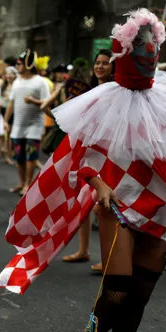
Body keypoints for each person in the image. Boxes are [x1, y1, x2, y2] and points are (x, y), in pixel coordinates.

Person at [0, 9, 166, 332]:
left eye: (153, 43)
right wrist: (97, 184)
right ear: (124, 51)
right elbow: (84, 157)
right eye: (141, 44)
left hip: (164, 206)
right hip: (118, 205)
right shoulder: (102, 100)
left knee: (142, 292)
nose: (149, 51)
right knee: (116, 289)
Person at [61, 50, 115, 268]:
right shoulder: (88, 91)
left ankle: (110, 258)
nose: (100, 67)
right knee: (81, 202)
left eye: (105, 63)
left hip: (109, 155)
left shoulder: (117, 92)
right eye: (98, 63)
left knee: (103, 207)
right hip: (89, 153)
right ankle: (83, 250)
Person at [5, 49, 50, 195]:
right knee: (19, 157)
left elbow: (46, 102)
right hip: (18, 125)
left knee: (31, 157)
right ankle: (21, 182)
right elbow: (11, 103)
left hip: (34, 125)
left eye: (20, 63)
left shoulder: (40, 82)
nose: (17, 66)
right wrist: (5, 121)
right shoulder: (17, 81)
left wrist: (33, 101)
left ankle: (28, 185)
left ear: (28, 64)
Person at [1, 66, 18, 164]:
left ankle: (8, 155)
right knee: (2, 134)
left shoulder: (16, 86)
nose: (9, 75)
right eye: (7, 73)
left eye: (11, 73)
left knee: (9, 134)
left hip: (11, 111)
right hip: (2, 110)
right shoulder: (2, 85)